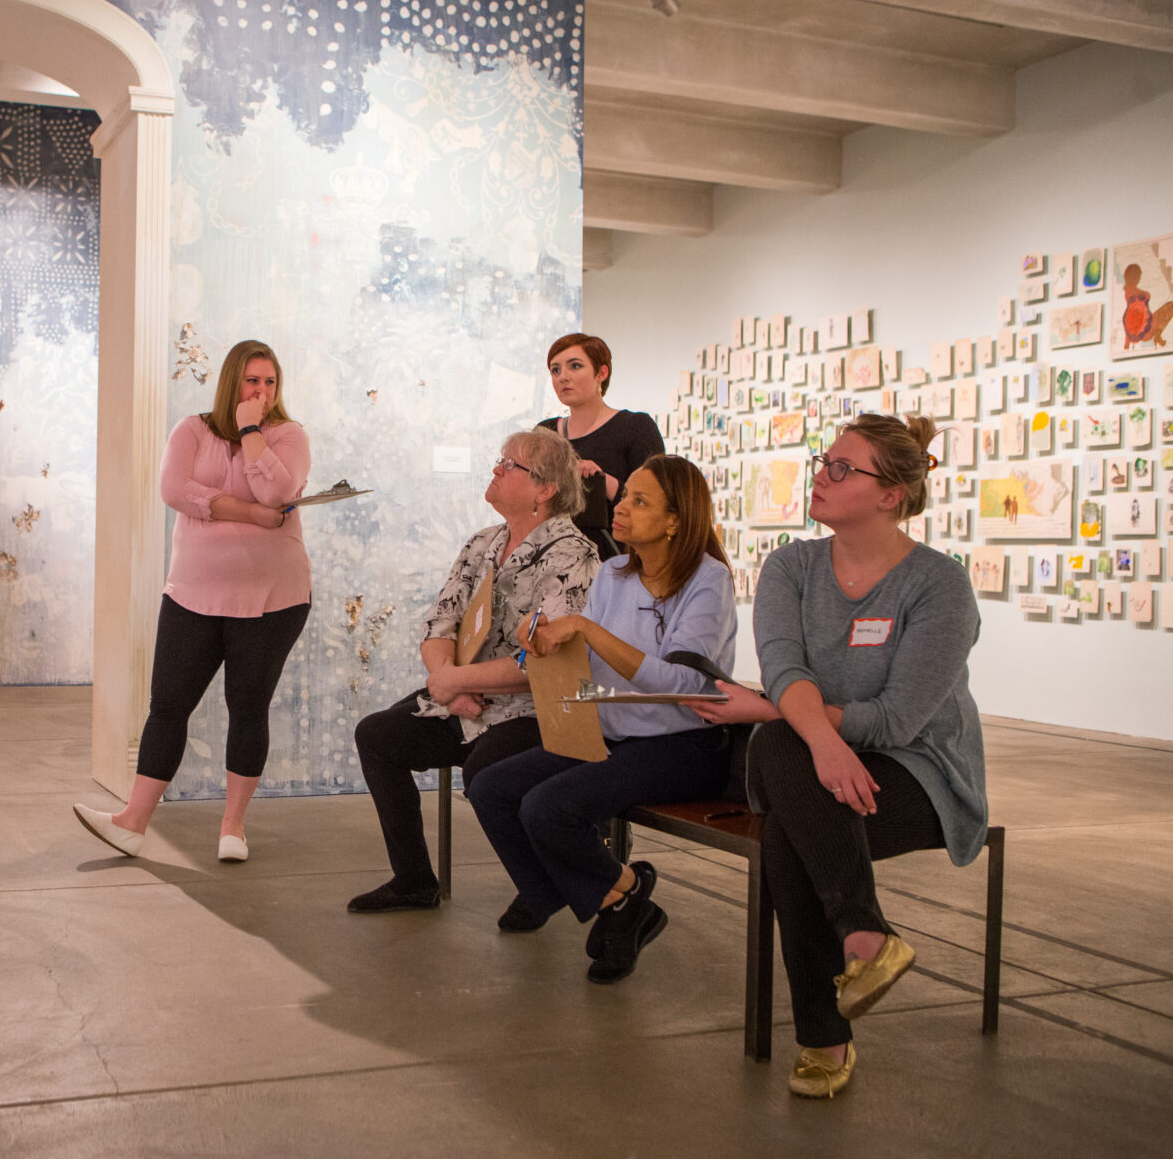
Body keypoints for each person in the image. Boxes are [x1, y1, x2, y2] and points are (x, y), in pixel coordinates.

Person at [689, 414, 987, 1100]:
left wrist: (789, 719)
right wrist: (822, 741)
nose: (822, 475)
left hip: (921, 771)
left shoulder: (939, 585)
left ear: (890, 496)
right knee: (784, 757)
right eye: (826, 461)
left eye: (843, 468)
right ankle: (865, 937)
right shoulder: (791, 567)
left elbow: (896, 719)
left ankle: (826, 1035)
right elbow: (785, 670)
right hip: (822, 763)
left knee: (788, 811)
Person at [469, 456, 735, 983]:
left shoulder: (709, 581)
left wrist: (586, 633)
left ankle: (617, 902)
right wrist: (538, 645)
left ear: (676, 520)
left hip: (684, 744)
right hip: (610, 727)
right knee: (491, 787)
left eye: (640, 501)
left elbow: (684, 688)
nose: (621, 507)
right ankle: (622, 897)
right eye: (625, 495)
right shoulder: (615, 572)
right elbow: (587, 666)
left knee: (548, 808)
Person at [73, 341, 311, 863]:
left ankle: (233, 828)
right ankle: (133, 821)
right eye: (252, 381)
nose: (262, 392)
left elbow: (278, 492)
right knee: (168, 706)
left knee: (247, 707)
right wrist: (245, 514)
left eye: (271, 382)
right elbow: (174, 490)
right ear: (232, 382)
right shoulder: (192, 429)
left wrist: (251, 433)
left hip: (273, 599)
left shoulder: (288, 436)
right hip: (192, 595)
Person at [347, 429, 598, 913]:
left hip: (534, 709)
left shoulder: (574, 554)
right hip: (464, 697)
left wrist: (455, 682)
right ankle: (414, 880)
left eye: (509, 466)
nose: (496, 471)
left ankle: (542, 887)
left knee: (487, 769)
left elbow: (545, 658)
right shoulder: (483, 543)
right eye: (499, 461)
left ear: (544, 489)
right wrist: (446, 685)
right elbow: (440, 622)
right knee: (377, 735)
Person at [537, 333, 665, 560]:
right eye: (555, 370)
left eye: (575, 366)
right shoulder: (545, 433)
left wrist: (603, 482)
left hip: (616, 563)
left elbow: (658, 501)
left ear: (601, 373)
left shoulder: (635, 427)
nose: (563, 377)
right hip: (551, 559)